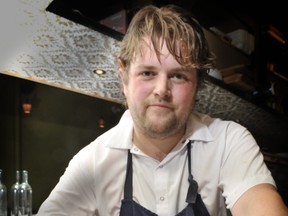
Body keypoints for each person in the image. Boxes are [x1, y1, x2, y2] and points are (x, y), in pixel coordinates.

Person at [37, 4, 288, 216]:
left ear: (198, 85)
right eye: (147, 73)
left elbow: (260, 204)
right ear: (124, 78)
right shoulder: (92, 162)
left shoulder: (229, 142)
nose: (161, 90)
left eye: (178, 76)